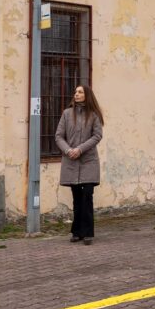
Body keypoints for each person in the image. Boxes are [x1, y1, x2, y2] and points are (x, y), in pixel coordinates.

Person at [55, 85, 104, 245]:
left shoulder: (94, 115)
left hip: (89, 161)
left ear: (87, 95)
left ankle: (88, 232)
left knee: (87, 195)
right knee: (76, 197)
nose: (76, 94)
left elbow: (97, 135)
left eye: (80, 92)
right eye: (75, 92)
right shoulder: (67, 114)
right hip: (71, 161)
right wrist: (68, 150)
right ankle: (77, 232)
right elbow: (59, 136)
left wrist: (80, 149)